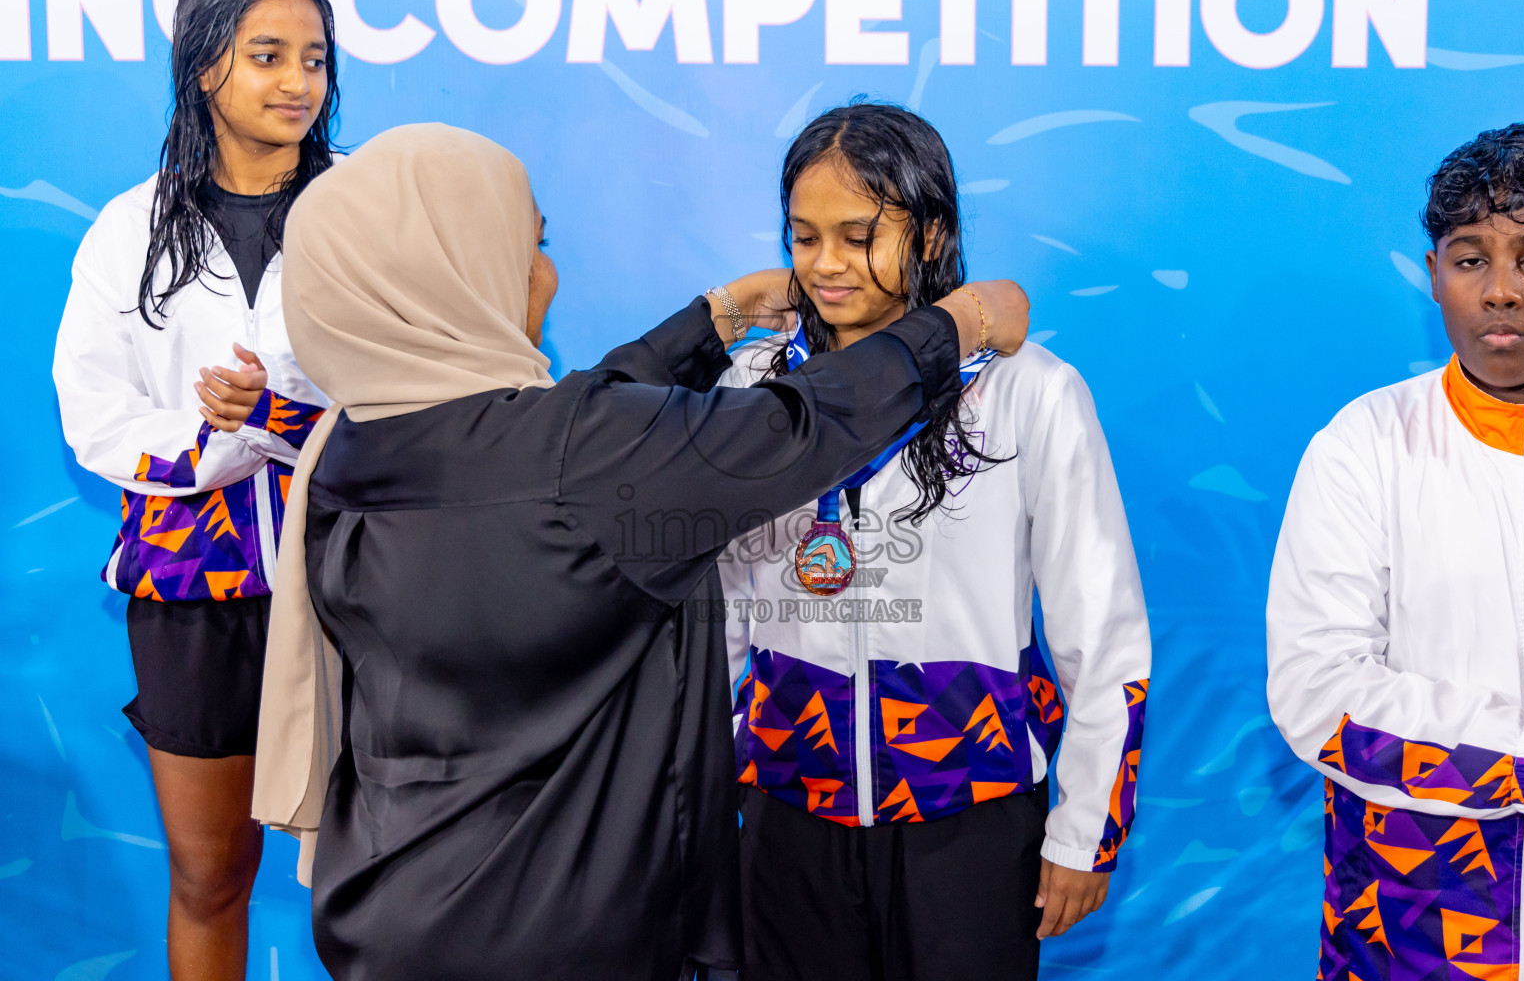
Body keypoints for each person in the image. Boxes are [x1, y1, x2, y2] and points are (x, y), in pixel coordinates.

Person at [248, 122, 1033, 981]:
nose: (545, 271)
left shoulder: (347, 453)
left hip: (385, 907)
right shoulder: (578, 460)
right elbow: (799, 427)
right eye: (526, 245)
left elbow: (585, 427)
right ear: (452, 271)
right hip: (555, 932)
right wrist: (956, 324)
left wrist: (714, 320)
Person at [715, 102, 1152, 980]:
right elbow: (724, 607)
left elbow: (1101, 631)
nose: (826, 265)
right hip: (788, 810)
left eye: (858, 234)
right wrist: (726, 766)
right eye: (804, 238)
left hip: (972, 816)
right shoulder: (754, 384)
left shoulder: (1030, 390)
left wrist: (1083, 830)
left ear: (931, 232)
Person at [51, 0, 337, 975]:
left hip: (351, 579)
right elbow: (92, 411)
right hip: (194, 586)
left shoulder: (365, 219)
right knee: (211, 873)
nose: (296, 81)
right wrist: (218, 443)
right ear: (205, 67)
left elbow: (416, 409)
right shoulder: (129, 230)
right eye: (267, 56)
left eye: (312, 58)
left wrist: (285, 419)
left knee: (371, 875)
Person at [1268, 123, 1524, 979]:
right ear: (1431, 275)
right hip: (1419, 918)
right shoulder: (1364, 445)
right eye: (1471, 259)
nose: (1501, 291)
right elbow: (1319, 696)